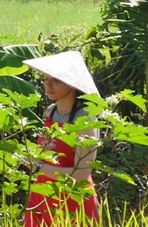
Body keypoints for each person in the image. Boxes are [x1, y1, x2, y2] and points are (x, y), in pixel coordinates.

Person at [22, 51, 101, 226]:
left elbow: (81, 174)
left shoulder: (85, 118)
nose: (48, 85)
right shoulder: (50, 112)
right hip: (42, 197)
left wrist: (40, 166)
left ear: (72, 83)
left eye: (56, 80)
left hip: (73, 200)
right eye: (45, 79)